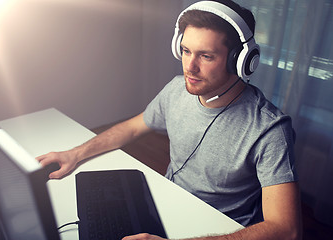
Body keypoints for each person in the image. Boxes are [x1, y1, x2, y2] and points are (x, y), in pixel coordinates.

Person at [37, 0, 302, 239]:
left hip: (219, 231)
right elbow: (132, 128)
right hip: (164, 206)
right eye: (186, 51)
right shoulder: (177, 89)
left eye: (206, 56)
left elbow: (287, 229)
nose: (189, 66)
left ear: (240, 61)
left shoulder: (270, 129)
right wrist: (75, 154)